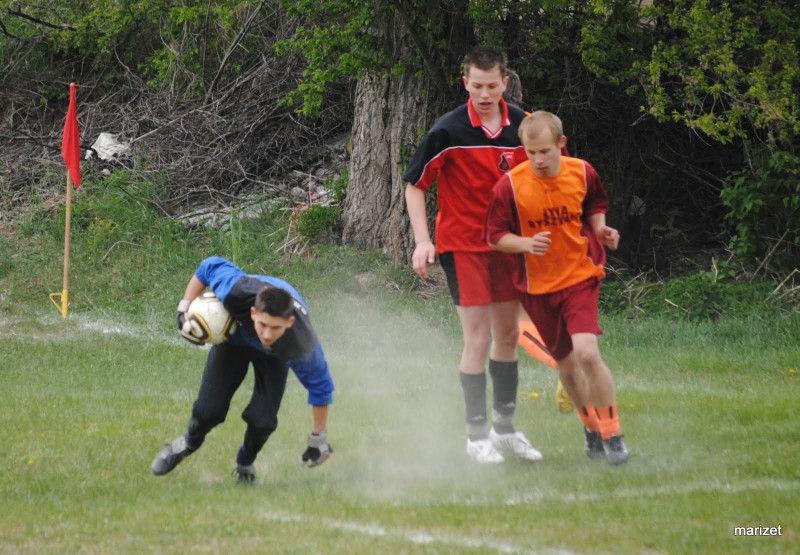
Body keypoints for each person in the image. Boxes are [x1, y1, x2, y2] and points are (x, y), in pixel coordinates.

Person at [403, 45, 541, 464]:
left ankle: (505, 430)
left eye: (492, 86)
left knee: (508, 336)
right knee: (478, 338)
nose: (484, 94)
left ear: (505, 83)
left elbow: (554, 175)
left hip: (509, 246)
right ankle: (476, 436)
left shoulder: (525, 127)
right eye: (477, 86)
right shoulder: (448, 130)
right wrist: (422, 241)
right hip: (463, 245)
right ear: (465, 83)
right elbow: (414, 186)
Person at [485, 111, 629, 465]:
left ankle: (613, 436)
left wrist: (601, 228)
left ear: (561, 144)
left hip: (579, 277)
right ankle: (591, 429)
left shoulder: (582, 171)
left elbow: (595, 203)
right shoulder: (510, 186)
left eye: (545, 151)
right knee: (567, 367)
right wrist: (525, 243)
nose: (538, 160)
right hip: (537, 288)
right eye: (531, 152)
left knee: (588, 354)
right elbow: (495, 236)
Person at [151, 256, 335, 483]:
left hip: (274, 358)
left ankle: (245, 464)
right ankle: (187, 443)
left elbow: (321, 388)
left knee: (262, 421)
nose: (267, 334)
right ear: (253, 313)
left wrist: (318, 440)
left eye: (275, 328)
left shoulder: (300, 344)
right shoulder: (236, 292)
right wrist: (183, 309)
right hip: (234, 344)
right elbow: (209, 266)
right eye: (263, 324)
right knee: (208, 411)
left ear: (289, 323)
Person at [504, 69, 574, 414]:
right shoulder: (540, 129)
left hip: (510, 236)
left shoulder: (482, 133)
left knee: (513, 320)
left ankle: (566, 364)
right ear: (520, 96)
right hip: (547, 230)